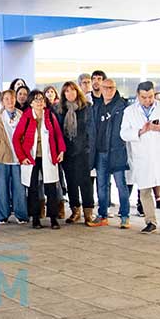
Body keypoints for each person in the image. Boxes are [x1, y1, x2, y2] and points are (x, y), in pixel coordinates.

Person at [120, 81, 160, 237]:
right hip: (142, 156)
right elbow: (123, 133)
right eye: (144, 97)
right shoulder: (130, 111)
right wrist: (140, 131)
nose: (147, 100)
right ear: (138, 95)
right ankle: (150, 222)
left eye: (150, 96)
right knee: (144, 190)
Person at [13, 89, 65, 229]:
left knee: (51, 187)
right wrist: (22, 157)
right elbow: (16, 138)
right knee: (33, 188)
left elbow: (58, 135)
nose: (39, 102)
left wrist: (61, 151)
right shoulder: (26, 117)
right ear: (31, 103)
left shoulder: (50, 116)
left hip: (48, 156)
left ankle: (53, 218)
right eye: (36, 100)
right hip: (32, 157)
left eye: (41, 99)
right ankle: (35, 218)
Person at [89, 78, 131, 228]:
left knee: (121, 185)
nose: (108, 90)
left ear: (115, 88)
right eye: (105, 88)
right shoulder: (96, 107)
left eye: (111, 87)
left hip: (116, 151)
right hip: (100, 152)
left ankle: (125, 216)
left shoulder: (122, 106)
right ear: (100, 89)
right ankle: (102, 215)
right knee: (101, 186)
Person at [0, 89, 27, 225]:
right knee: (1, 187)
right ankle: (2, 215)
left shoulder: (21, 115)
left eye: (12, 98)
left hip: (18, 157)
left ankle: (21, 214)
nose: (10, 101)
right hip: (1, 157)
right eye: (7, 99)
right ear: (2, 101)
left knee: (19, 187)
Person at [57, 81, 95, 225]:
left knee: (85, 182)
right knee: (71, 182)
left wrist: (89, 147)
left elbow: (91, 129)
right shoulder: (60, 109)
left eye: (72, 90)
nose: (70, 93)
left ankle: (88, 212)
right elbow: (58, 131)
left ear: (77, 91)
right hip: (67, 152)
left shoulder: (87, 108)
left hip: (83, 151)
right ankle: (75, 211)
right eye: (66, 91)